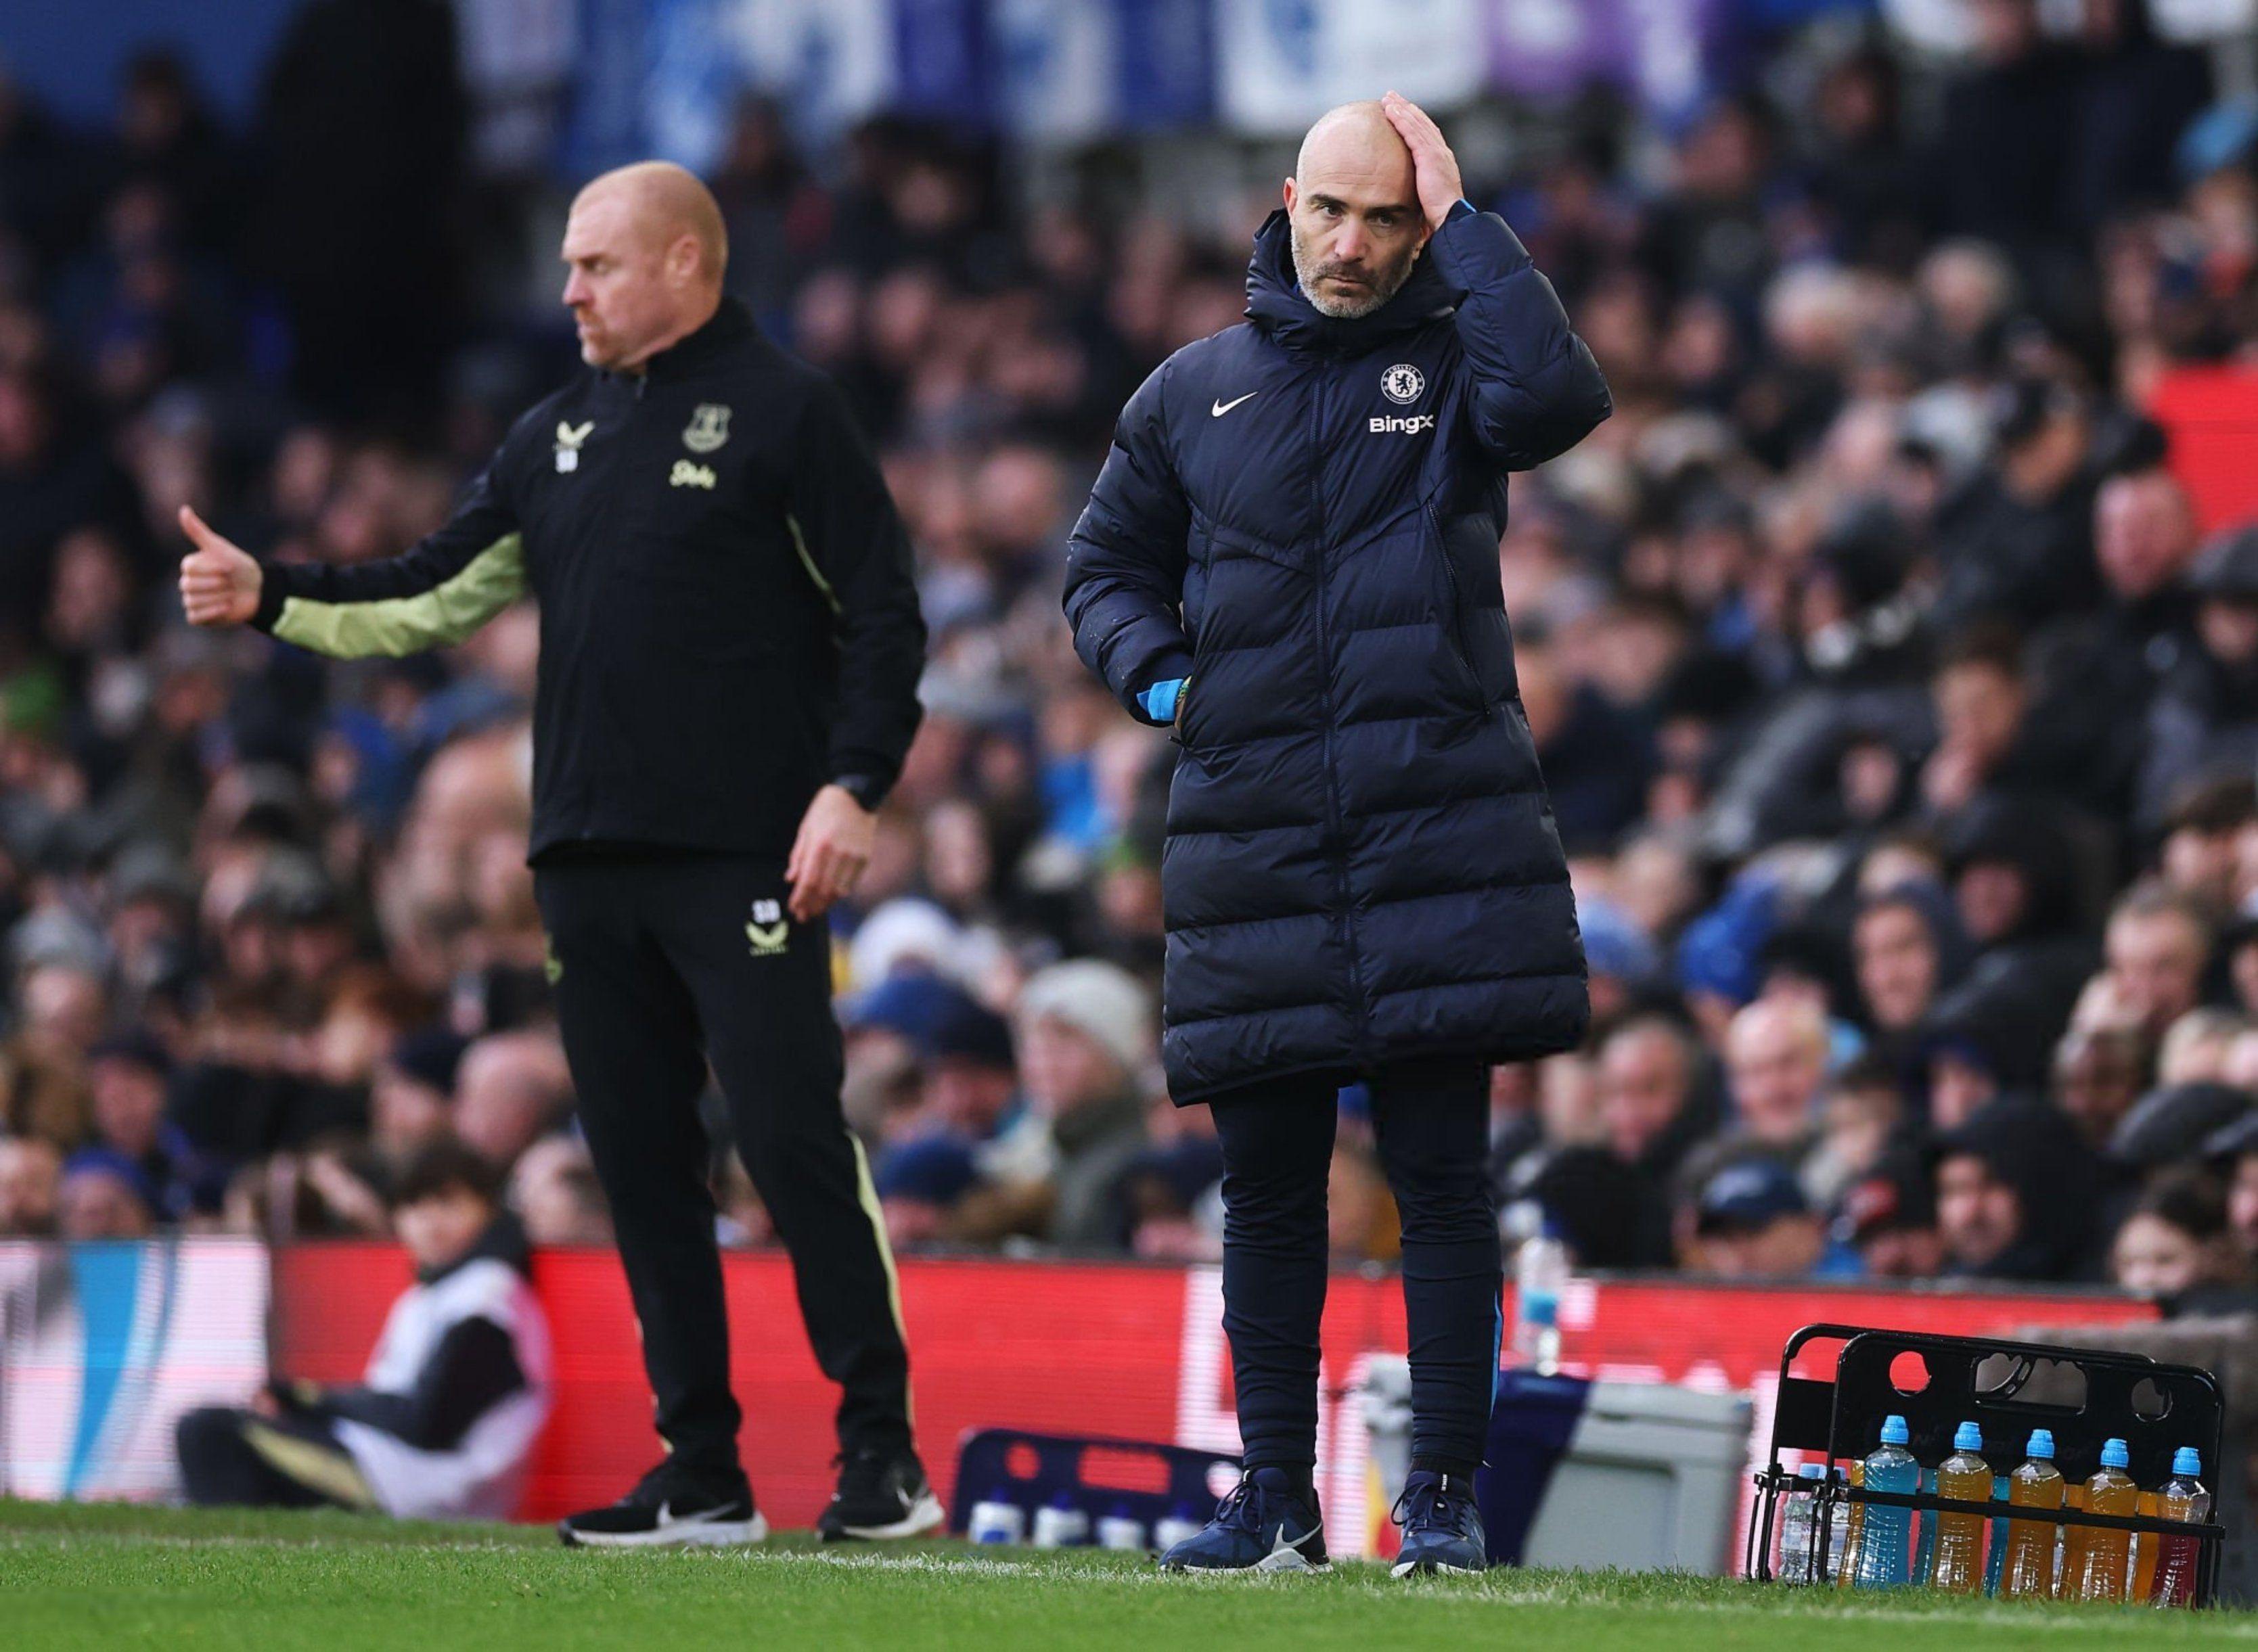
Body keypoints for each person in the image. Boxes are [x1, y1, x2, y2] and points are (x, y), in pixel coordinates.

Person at [175, 161, 936, 1547]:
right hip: (584, 857)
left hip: (749, 853)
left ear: (685, 262)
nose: (569, 289)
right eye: (570, 264)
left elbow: (885, 617)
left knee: (789, 1141)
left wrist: (854, 787)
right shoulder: (553, 435)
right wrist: (273, 595)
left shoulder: (789, 412)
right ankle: (701, 1471)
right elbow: (427, 591)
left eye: (597, 264)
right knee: (642, 1165)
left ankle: (880, 1454)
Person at [1062, 93, 1608, 1576]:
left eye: (1388, 218)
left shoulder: (1464, 360)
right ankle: (1273, 1500)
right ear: (1284, 202)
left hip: (1435, 831)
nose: (1354, 244)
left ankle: (1441, 1498)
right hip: (1254, 838)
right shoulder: (1188, 391)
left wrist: (1466, 214)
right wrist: (1166, 684)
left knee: (1440, 1181)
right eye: (1332, 210)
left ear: (1421, 228)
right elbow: (1102, 569)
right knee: (1267, 1194)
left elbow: (1557, 403)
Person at [175, 1140, 551, 1519]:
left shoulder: (489, 1297)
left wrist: (313, 1400)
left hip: (417, 1485)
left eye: (447, 1203)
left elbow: (426, 1424)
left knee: (207, 1432)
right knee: (235, 1430)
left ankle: (233, 1550)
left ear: (489, 1209)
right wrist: (304, 1405)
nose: (430, 1222)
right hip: (387, 1467)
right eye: (415, 1206)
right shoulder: (438, 1291)